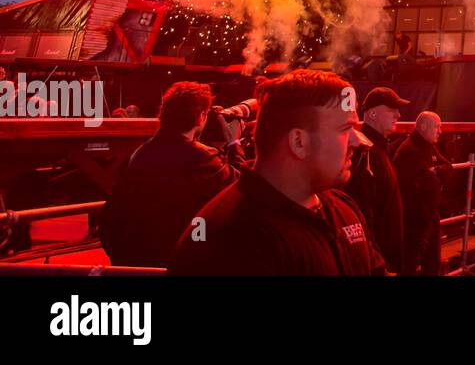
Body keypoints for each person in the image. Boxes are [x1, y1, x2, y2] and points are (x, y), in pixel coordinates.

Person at [168, 69, 385, 275]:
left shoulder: (344, 208)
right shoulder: (232, 242)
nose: (358, 141)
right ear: (299, 142)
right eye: (346, 129)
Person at [100, 82, 243, 267]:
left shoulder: (140, 153)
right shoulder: (203, 158)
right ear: (201, 117)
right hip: (174, 262)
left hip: (132, 258)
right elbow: (241, 186)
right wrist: (235, 143)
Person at [344, 87, 409, 271]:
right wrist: (378, 263)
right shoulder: (366, 153)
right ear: (371, 114)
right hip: (381, 262)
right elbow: (362, 212)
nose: (398, 114)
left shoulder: (376, 150)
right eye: (391, 110)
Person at [393, 110, 453, 275]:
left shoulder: (429, 147)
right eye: (437, 127)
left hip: (429, 215)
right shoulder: (409, 151)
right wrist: (434, 174)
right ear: (424, 127)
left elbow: (448, 167)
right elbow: (421, 182)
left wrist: (436, 171)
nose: (440, 131)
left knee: (432, 262)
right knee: (410, 264)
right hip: (414, 219)